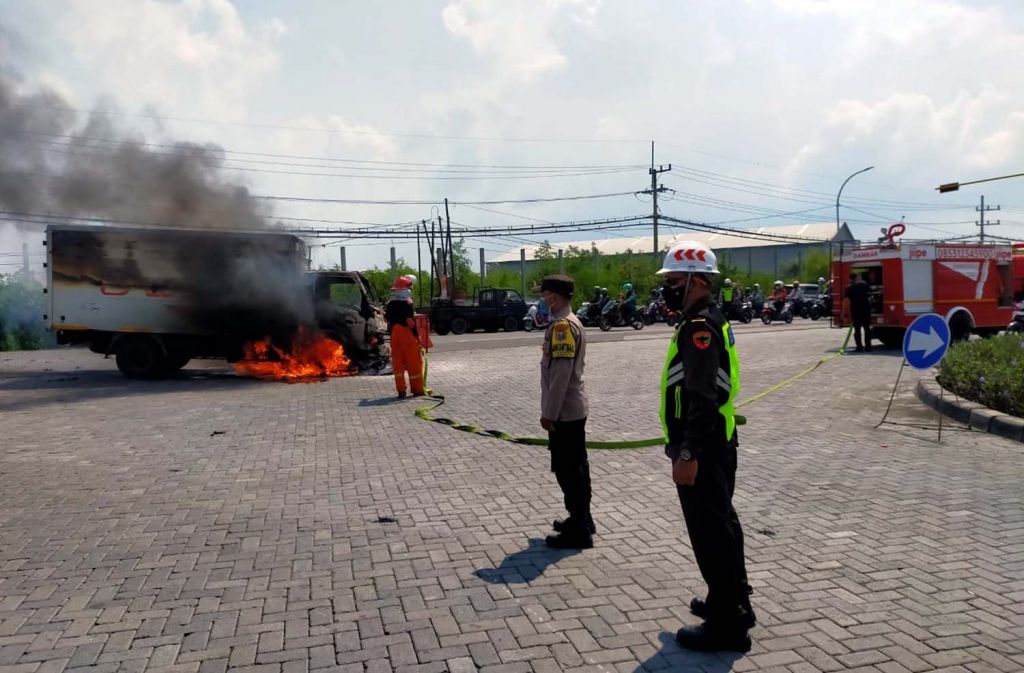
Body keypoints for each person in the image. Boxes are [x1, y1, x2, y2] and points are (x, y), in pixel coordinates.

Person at [655, 241, 755, 653]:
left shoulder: (699, 326)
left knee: (712, 534)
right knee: (724, 527)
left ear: (697, 281)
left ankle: (727, 626)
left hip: (704, 446)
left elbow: (701, 396)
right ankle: (731, 602)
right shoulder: (705, 318)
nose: (668, 289)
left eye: (675, 281)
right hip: (717, 442)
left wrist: (686, 453)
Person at [538, 274, 593, 549]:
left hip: (565, 412)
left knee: (569, 470)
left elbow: (560, 374)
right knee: (577, 467)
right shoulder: (568, 322)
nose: (542, 300)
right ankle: (582, 519)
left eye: (544, 295)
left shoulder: (562, 327)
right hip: (572, 408)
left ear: (555, 297)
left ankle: (580, 528)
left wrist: (549, 413)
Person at [385, 275, 425, 398]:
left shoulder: (390, 303)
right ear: (404, 289)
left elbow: (386, 319)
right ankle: (417, 390)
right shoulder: (408, 303)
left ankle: (401, 391)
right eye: (409, 287)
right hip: (407, 335)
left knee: (398, 364)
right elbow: (410, 322)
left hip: (394, 335)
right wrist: (417, 336)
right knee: (413, 363)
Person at [842, 272, 872, 352]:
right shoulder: (865, 285)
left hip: (856, 311)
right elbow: (870, 292)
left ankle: (859, 347)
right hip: (866, 310)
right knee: (867, 329)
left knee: (857, 330)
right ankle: (868, 347)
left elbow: (846, 301)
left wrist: (845, 313)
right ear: (857, 278)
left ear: (850, 279)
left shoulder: (849, 288)